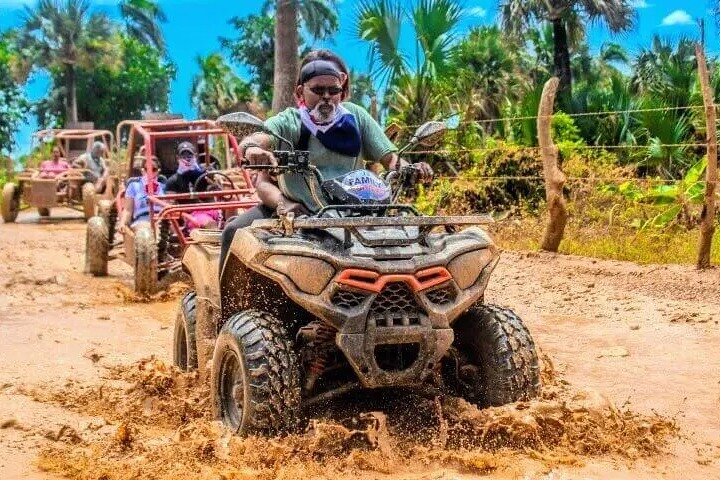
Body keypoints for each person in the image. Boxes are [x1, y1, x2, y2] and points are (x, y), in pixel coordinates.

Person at [219, 49, 433, 268]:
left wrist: (411, 168)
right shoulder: (289, 122)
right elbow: (256, 140)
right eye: (318, 90)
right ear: (301, 92)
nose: (327, 96)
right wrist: (252, 150)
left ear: (341, 89)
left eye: (333, 90)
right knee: (233, 231)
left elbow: (391, 159)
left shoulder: (356, 117)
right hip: (301, 212)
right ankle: (226, 302)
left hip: (357, 213)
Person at [164, 141, 219, 230]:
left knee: (233, 207)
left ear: (195, 156)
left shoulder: (205, 174)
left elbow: (218, 188)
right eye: (183, 156)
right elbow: (170, 207)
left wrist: (212, 180)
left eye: (190, 155)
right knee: (209, 222)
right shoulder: (173, 181)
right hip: (192, 216)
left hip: (212, 209)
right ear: (178, 158)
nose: (187, 159)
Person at [118, 156, 165, 232]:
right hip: (142, 220)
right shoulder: (133, 186)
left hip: (162, 220)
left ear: (158, 171)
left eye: (154, 169)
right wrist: (123, 223)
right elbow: (128, 209)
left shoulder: (163, 186)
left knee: (163, 227)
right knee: (147, 229)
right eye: (147, 169)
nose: (150, 173)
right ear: (143, 171)